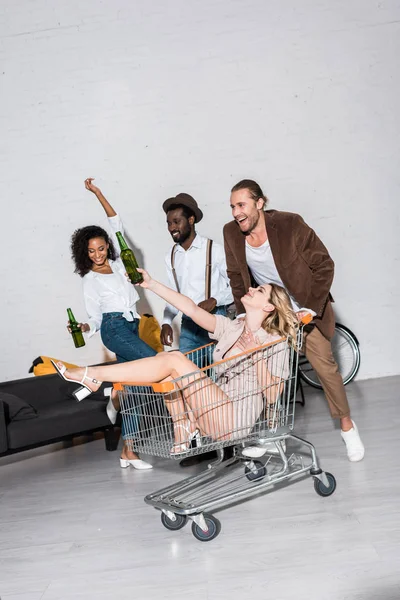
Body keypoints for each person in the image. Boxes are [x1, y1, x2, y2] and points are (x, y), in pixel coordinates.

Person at [53, 268, 298, 454]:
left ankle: (94, 375)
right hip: (209, 411)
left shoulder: (273, 340)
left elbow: (274, 394)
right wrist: (150, 284)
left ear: (269, 308)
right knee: (167, 362)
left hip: (233, 419)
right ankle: (182, 427)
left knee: (174, 359)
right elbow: (190, 309)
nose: (252, 289)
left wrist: (256, 353)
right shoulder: (233, 327)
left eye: (260, 291)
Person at [223, 179, 365, 462]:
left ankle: (348, 428)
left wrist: (311, 308)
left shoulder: (289, 224)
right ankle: (273, 434)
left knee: (325, 368)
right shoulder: (231, 233)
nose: (236, 212)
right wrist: (244, 315)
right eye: (232, 207)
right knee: (264, 370)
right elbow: (236, 277)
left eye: (242, 205)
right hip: (270, 310)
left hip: (303, 309)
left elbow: (324, 265)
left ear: (260, 203)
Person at [69, 178, 156, 470]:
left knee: (139, 388)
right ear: (85, 253)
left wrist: (98, 193)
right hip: (113, 329)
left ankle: (128, 451)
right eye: (91, 251)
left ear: (107, 245)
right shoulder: (89, 280)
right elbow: (94, 318)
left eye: (101, 248)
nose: (97, 254)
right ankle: (114, 393)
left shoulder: (120, 265)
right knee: (159, 364)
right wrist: (83, 329)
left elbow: (116, 222)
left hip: (131, 326)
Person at [160, 193, 234, 466]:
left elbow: (235, 288)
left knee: (221, 381)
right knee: (191, 386)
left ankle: (228, 442)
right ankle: (201, 444)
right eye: (168, 223)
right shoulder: (171, 256)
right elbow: (172, 296)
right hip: (190, 328)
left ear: (191, 220)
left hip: (216, 322)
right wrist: (167, 321)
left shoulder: (214, 249)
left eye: (177, 221)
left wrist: (217, 300)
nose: (172, 227)